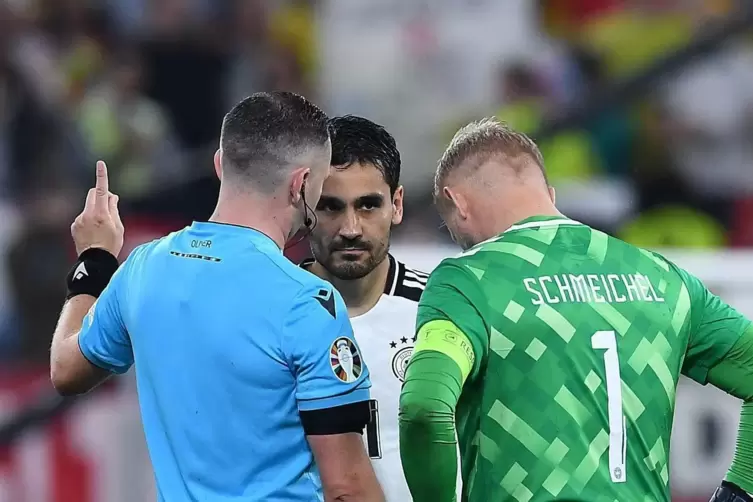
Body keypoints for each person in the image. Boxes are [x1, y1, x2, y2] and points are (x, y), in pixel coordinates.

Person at [49, 92, 384, 502]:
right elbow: (347, 488)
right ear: (302, 184)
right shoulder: (306, 300)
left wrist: (95, 259)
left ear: (220, 165)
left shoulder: (142, 268)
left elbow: (65, 370)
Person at [398, 117, 753, 502]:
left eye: (453, 233)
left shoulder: (468, 280)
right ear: (549, 194)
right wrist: (740, 490)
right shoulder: (664, 278)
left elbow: (423, 406)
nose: (461, 244)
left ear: (458, 203)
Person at [302, 115, 458, 501]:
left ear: (397, 204)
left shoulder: (444, 309)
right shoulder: (265, 311)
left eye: (369, 205)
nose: (351, 228)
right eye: (331, 207)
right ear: (304, 205)